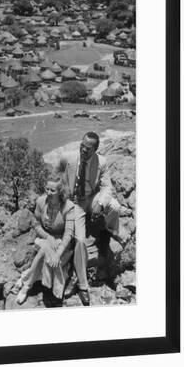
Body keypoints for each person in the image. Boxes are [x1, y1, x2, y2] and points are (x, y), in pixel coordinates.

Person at [61, 131, 124, 306]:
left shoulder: (101, 162)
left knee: (114, 206)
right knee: (80, 241)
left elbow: (107, 187)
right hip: (77, 203)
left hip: (93, 197)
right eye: (82, 146)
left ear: (95, 150)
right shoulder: (71, 159)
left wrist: (101, 203)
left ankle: (110, 231)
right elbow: (63, 182)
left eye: (87, 149)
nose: (83, 150)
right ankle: (82, 285)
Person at [16, 176, 84, 305]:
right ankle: (27, 283)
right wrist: (47, 237)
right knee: (45, 248)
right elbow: (35, 223)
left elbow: (69, 233)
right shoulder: (41, 202)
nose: (48, 193)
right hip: (46, 237)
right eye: (47, 189)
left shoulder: (68, 207)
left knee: (44, 252)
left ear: (60, 191)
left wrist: (58, 254)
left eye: (52, 190)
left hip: (62, 243)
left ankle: (26, 282)